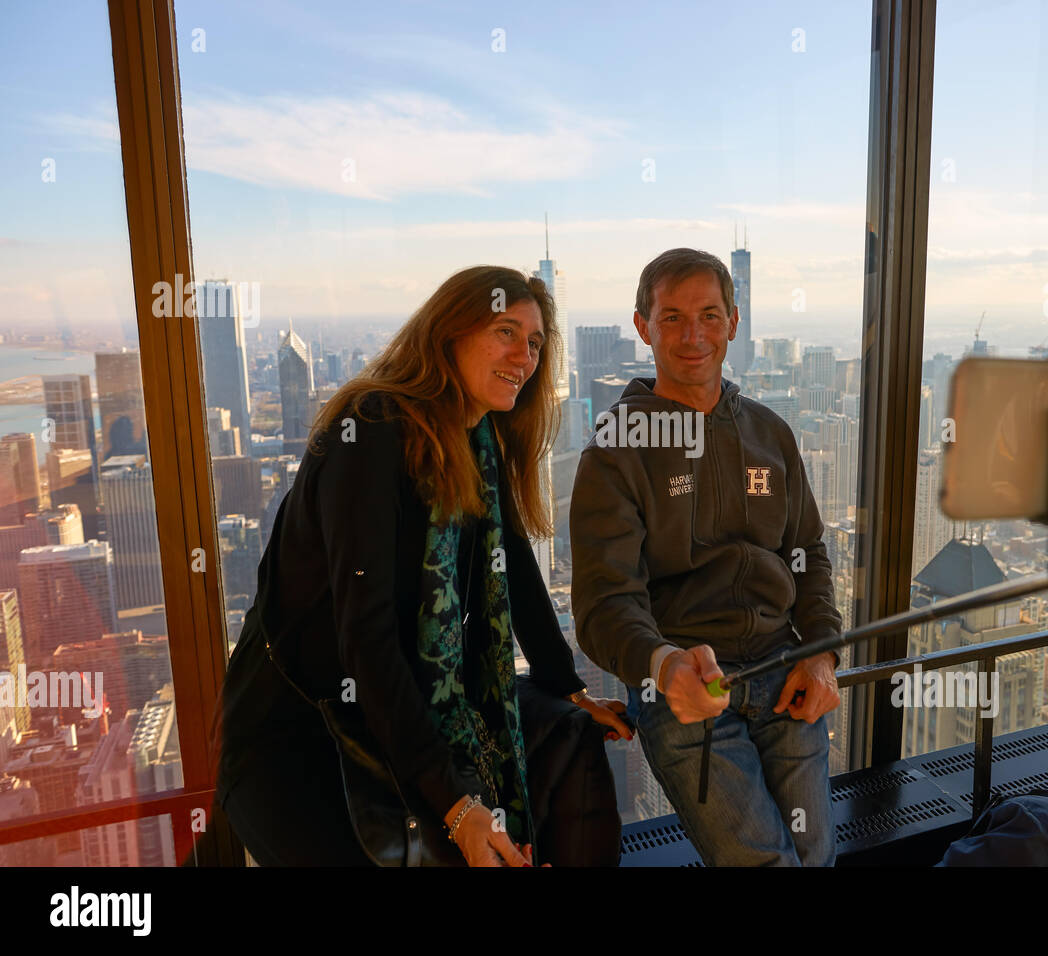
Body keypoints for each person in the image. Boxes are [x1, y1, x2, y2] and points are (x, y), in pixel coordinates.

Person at [214, 266, 632, 867]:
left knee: (571, 740)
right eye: (506, 332)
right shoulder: (373, 432)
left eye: (536, 342)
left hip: (400, 702)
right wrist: (456, 804)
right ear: (449, 334)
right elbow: (367, 638)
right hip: (304, 736)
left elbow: (512, 565)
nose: (525, 356)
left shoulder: (478, 438)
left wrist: (567, 685)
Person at [570, 248, 843, 866]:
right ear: (643, 326)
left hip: (786, 671)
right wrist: (665, 668)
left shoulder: (771, 433)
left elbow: (808, 553)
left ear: (734, 323)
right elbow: (602, 604)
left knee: (815, 858)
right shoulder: (617, 450)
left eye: (710, 316)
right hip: (686, 686)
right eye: (672, 318)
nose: (693, 336)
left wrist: (823, 653)